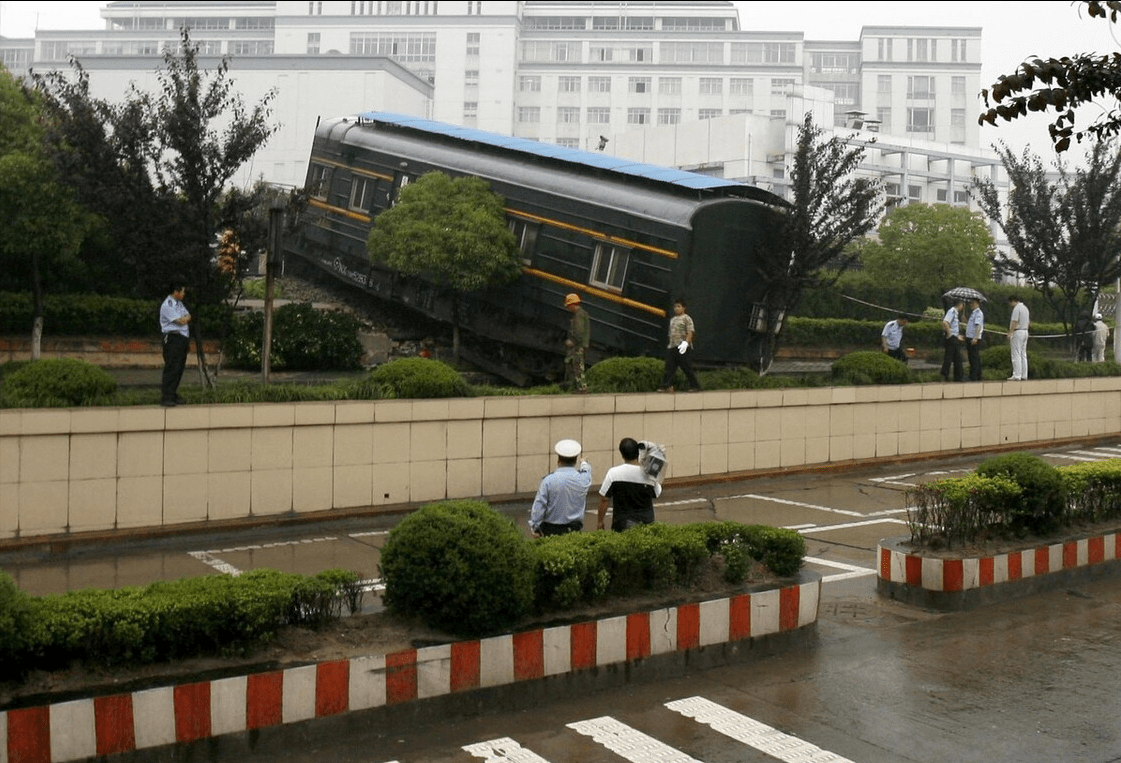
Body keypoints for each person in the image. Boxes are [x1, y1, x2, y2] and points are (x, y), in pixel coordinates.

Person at [529, 439, 593, 537]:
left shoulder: (548, 480)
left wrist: (535, 527)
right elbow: (587, 471)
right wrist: (584, 462)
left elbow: (539, 505)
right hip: (574, 529)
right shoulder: (583, 479)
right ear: (575, 461)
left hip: (551, 529)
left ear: (558, 461)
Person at [597, 438, 661, 532]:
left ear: (622, 455)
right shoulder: (648, 474)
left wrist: (600, 522)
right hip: (646, 523)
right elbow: (657, 493)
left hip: (622, 524)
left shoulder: (613, 473)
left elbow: (604, 499)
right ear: (638, 454)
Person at [159, 280, 192, 407]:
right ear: (176, 292)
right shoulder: (167, 305)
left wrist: (185, 318)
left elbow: (188, 316)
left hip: (182, 338)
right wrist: (185, 319)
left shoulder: (178, 304)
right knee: (172, 367)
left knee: (179, 367)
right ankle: (166, 396)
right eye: (182, 291)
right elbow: (181, 321)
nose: (184, 294)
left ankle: (173, 393)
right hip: (173, 338)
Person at [658, 298, 701, 393]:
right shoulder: (672, 320)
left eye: (679, 306)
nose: (676, 308)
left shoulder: (687, 318)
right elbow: (670, 334)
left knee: (686, 367)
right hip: (672, 347)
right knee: (669, 367)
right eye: (675, 306)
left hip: (683, 347)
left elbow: (690, 332)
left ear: (684, 308)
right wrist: (670, 344)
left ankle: (695, 386)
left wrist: (686, 343)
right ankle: (667, 386)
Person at [563, 293, 590, 393]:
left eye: (568, 306)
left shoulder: (579, 316)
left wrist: (572, 341)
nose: (568, 309)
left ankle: (582, 389)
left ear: (572, 305)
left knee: (578, 367)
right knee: (573, 365)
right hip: (581, 345)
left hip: (578, 346)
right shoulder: (583, 314)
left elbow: (579, 332)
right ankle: (574, 387)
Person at [940, 299, 965, 382]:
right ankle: (945, 375)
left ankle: (958, 376)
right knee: (950, 357)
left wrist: (957, 336)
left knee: (956, 357)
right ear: (959, 304)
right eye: (962, 304)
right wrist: (950, 334)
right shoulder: (952, 311)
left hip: (954, 338)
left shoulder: (956, 313)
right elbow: (945, 322)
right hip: (952, 339)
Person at [1007, 294, 1030, 380]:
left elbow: (1014, 321)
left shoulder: (1017, 309)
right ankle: (1024, 374)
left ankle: (1017, 375)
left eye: (1010, 303)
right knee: (1023, 354)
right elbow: (1028, 322)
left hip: (1018, 332)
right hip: (1025, 331)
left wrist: (1010, 332)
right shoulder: (1025, 308)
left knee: (1016, 353)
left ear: (1013, 301)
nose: (1010, 305)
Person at [964, 298, 984, 381]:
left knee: (974, 358)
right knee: (973, 357)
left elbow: (978, 326)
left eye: (972, 303)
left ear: (977, 303)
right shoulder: (973, 313)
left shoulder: (978, 313)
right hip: (970, 337)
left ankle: (974, 376)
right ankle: (978, 375)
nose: (971, 305)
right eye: (970, 303)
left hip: (974, 338)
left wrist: (975, 337)